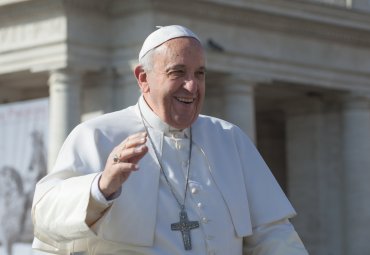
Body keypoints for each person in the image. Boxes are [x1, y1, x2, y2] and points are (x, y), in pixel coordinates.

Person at [31, 25, 308, 255]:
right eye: (178, 72)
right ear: (143, 78)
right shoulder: (96, 135)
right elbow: (45, 222)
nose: (192, 86)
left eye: (199, 74)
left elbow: (273, 235)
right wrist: (101, 187)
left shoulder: (229, 139)